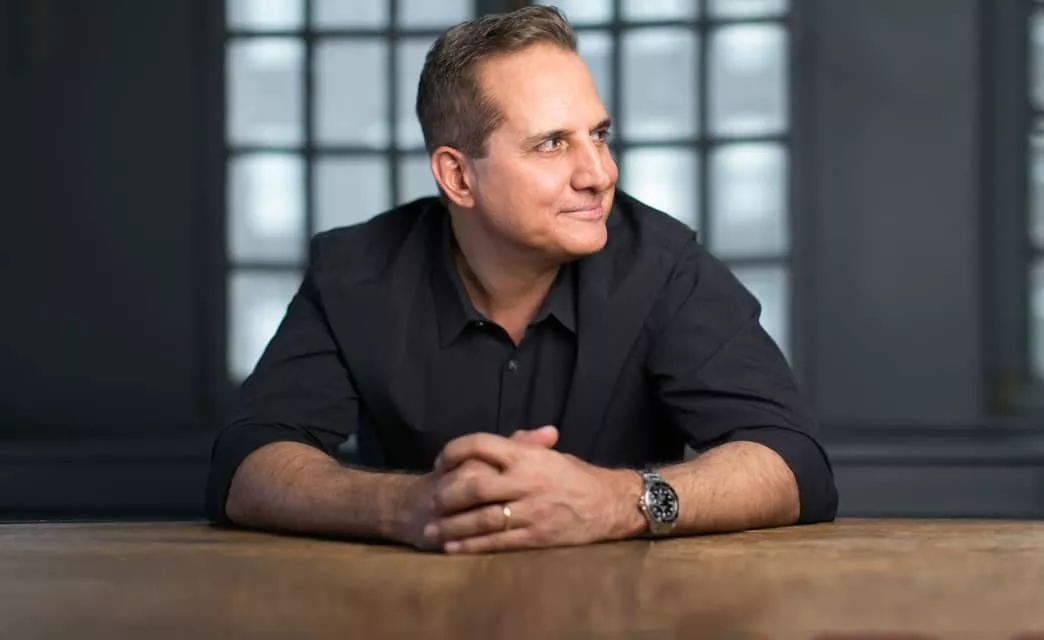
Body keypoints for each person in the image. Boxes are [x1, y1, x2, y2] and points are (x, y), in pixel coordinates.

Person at [206, 5, 838, 554]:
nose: (600, 173)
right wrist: (407, 506)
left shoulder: (663, 264)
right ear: (458, 176)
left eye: (598, 135)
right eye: (551, 144)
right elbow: (246, 465)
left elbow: (795, 462)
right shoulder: (357, 272)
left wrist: (618, 501)